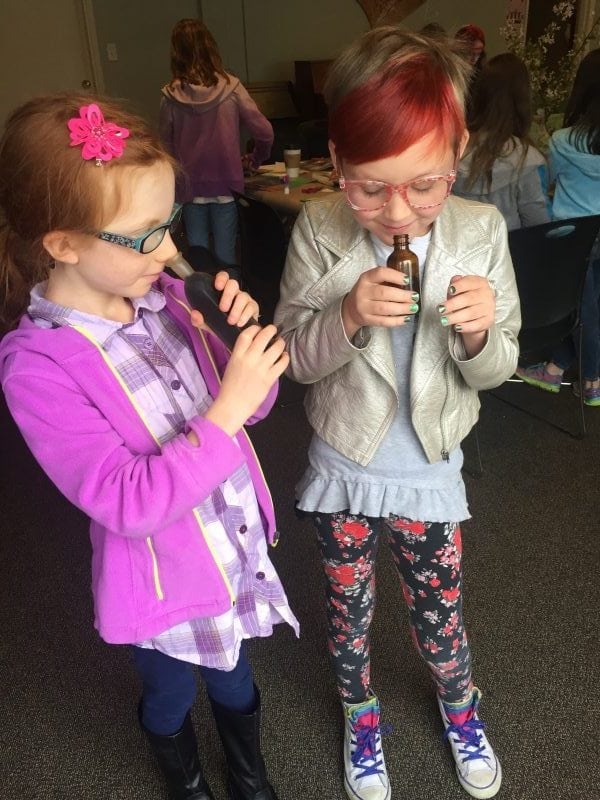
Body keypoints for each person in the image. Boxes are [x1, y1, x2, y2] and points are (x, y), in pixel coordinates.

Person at [0, 93, 296, 800]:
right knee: (169, 693)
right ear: (63, 243)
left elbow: (259, 407)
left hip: (227, 549)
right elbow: (127, 502)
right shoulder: (37, 367)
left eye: (170, 223)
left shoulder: (166, 298)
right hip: (159, 584)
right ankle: (184, 777)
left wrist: (237, 348)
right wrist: (225, 410)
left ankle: (249, 777)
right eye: (143, 235)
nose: (170, 249)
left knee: (234, 674)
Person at [274, 27, 520, 800]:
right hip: (346, 463)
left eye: (424, 183)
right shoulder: (319, 228)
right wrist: (347, 313)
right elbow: (294, 359)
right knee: (346, 613)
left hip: (429, 470)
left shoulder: (481, 230)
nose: (398, 209)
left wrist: (479, 332)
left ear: (459, 153)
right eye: (369, 185)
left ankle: (459, 703)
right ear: (337, 164)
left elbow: (500, 366)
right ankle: (361, 713)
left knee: (440, 613)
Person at [516, 48, 600, 406]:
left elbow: (548, 180)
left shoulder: (563, 141)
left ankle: (590, 378)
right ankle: (559, 365)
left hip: (575, 242)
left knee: (581, 310)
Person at [159, 18, 274, 266]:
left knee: (197, 257)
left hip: (189, 188)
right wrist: (255, 160)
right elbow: (264, 132)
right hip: (226, 185)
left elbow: (165, 148)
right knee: (227, 258)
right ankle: (229, 302)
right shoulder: (232, 89)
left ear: (176, 53)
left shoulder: (170, 97)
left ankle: (200, 303)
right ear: (211, 47)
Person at [453, 53, 551, 230]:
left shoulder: (454, 146)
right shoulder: (526, 158)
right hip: (509, 253)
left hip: (456, 250)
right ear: (522, 100)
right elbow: (537, 224)